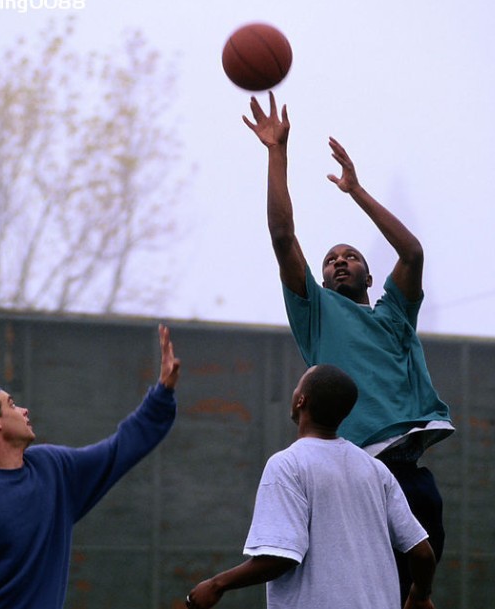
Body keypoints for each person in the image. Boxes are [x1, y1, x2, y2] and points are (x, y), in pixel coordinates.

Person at [242, 92, 454, 603]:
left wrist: (356, 190)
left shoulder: (393, 313)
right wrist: (277, 152)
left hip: (409, 472)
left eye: (351, 256)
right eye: (331, 258)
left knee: (413, 588)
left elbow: (413, 251)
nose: (339, 261)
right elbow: (281, 235)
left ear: (368, 274)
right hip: (357, 474)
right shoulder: (315, 313)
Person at [0, 324, 181, 609]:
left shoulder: (54, 469)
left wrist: (162, 393)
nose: (24, 410)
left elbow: (119, 450)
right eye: (12, 404)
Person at [185, 364, 436, 609]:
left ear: (301, 401)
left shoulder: (288, 465)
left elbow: (281, 557)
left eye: (297, 387)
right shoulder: (376, 470)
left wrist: (217, 584)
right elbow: (423, 553)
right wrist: (420, 595)